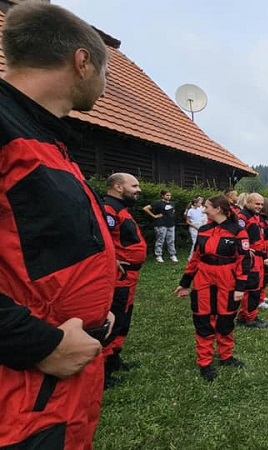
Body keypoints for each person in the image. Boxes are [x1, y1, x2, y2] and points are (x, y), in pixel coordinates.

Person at [0, 3, 117, 447]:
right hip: (22, 392)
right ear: (82, 62)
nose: (106, 91)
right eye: (107, 74)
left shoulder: (48, 138)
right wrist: (37, 343)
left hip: (63, 382)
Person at [175, 196, 251, 381]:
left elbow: (244, 260)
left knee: (226, 320)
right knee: (203, 320)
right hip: (203, 281)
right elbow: (195, 258)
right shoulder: (203, 230)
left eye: (207, 207)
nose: (204, 209)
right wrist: (185, 283)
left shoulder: (238, 232)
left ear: (218, 209)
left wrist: (240, 287)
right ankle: (205, 363)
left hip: (227, 282)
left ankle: (226, 356)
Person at [103, 173, 148, 388]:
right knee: (114, 319)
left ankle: (114, 359)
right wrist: (112, 260)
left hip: (130, 276)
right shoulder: (108, 209)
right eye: (135, 185)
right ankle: (102, 372)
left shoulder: (122, 209)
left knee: (124, 319)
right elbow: (101, 238)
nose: (139, 189)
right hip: (119, 277)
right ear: (119, 187)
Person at [236, 193, 268, 329]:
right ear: (249, 202)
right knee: (253, 288)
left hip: (258, 256)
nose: (260, 207)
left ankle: (244, 316)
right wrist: (245, 249)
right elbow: (236, 235)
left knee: (255, 287)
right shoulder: (242, 217)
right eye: (257, 204)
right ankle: (250, 319)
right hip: (251, 259)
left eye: (261, 204)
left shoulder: (255, 216)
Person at [144, 190, 178, 262]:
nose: (169, 197)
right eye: (167, 195)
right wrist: (154, 216)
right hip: (160, 224)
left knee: (171, 240)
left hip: (171, 224)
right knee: (160, 240)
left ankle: (172, 255)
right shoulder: (158, 203)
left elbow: (173, 211)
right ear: (162, 196)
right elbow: (146, 208)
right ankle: (158, 255)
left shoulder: (172, 203)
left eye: (170, 195)